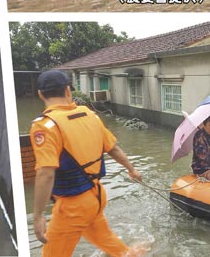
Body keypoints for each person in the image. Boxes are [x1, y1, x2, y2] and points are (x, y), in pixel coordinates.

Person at [29, 70, 143, 257]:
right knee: (107, 241)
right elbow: (113, 148)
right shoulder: (89, 115)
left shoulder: (44, 126)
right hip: (96, 196)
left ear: (40, 94)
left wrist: (38, 216)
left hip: (72, 206)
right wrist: (132, 169)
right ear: (68, 91)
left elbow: (46, 173)